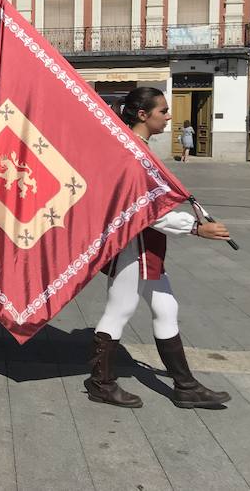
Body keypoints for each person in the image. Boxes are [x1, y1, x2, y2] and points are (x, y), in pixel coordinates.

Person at [85, 87, 231, 410]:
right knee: (119, 310)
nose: (168, 117)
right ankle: (100, 382)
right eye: (163, 111)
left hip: (146, 247)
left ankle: (185, 386)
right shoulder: (132, 153)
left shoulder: (139, 149)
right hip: (132, 246)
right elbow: (146, 211)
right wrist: (195, 228)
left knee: (166, 309)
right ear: (142, 115)